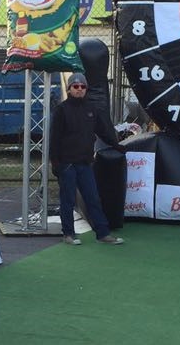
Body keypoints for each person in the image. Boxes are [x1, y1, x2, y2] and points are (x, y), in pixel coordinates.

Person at [50, 72, 125, 246]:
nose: (79, 89)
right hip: (67, 164)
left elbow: (103, 131)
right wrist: (56, 163)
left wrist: (116, 145)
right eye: (75, 86)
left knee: (93, 199)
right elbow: (54, 139)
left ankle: (103, 234)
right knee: (68, 200)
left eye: (83, 86)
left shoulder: (91, 109)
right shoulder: (61, 110)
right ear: (69, 89)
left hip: (85, 163)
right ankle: (68, 234)